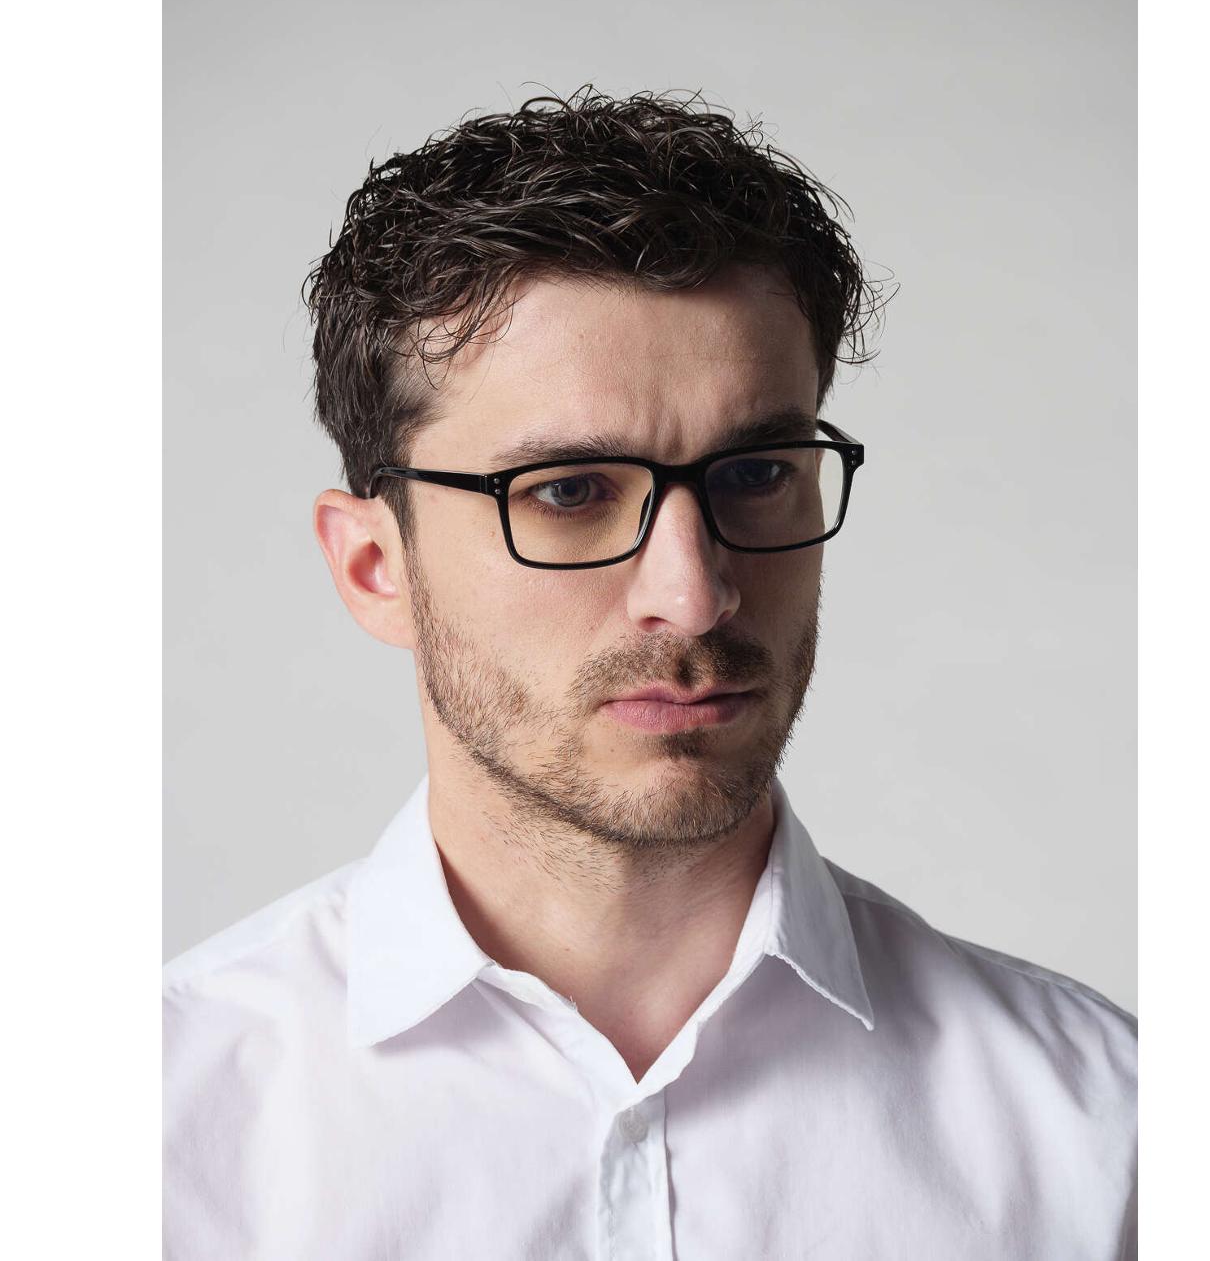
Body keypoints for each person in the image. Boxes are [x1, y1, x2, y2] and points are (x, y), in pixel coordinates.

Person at [163, 87, 1136, 1259]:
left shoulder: (1108, 1137)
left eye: (757, 473)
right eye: (569, 491)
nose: (694, 592)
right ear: (376, 567)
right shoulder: (156, 1135)